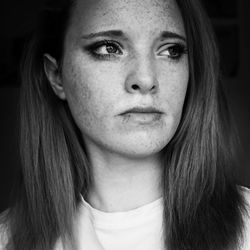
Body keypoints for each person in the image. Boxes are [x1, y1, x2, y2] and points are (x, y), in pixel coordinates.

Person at [0, 0, 250, 249]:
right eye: (109, 48)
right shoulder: (7, 239)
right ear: (57, 76)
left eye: (171, 50)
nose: (145, 79)